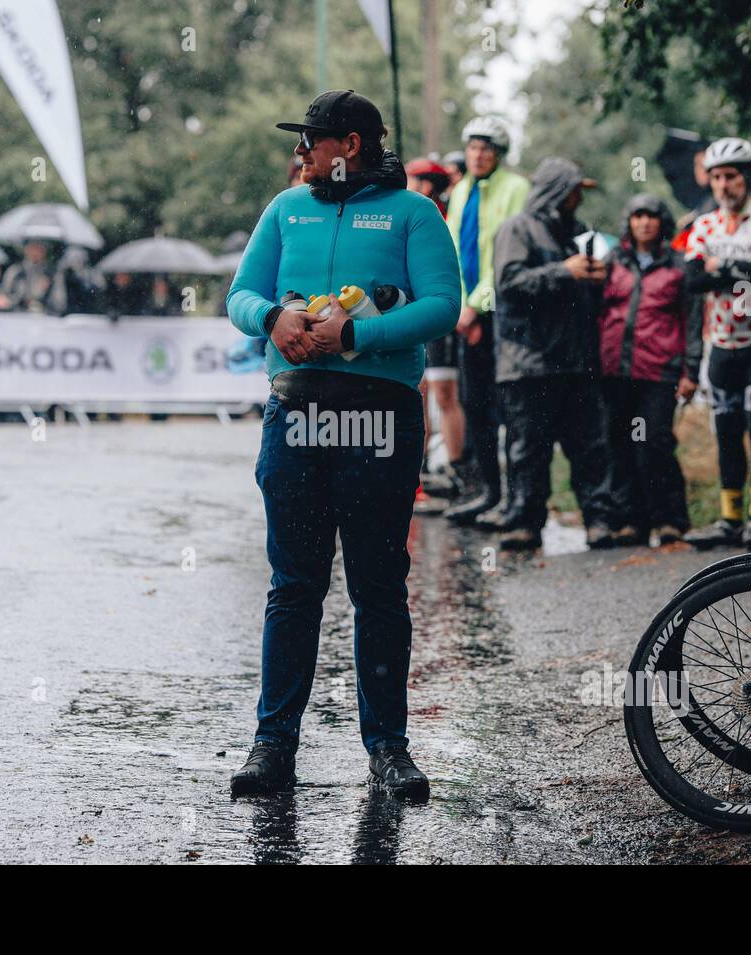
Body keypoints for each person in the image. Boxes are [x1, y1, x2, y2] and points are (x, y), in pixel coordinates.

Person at [225, 89, 460, 801]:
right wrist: (271, 317)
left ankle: (388, 748)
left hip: (380, 420)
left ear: (348, 145)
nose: (300, 154)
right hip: (295, 417)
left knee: (378, 588)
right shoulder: (284, 209)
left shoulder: (414, 213)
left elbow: (442, 305)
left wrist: (357, 333)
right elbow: (239, 295)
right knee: (293, 586)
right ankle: (273, 745)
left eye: (311, 142)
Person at [489, 157, 617, 550]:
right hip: (527, 362)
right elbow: (508, 282)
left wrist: (594, 279)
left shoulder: (578, 233)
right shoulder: (517, 229)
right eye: (575, 189)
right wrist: (566, 271)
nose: (579, 197)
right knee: (529, 448)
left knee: (590, 446)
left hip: (576, 361)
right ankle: (525, 523)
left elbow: (585, 294)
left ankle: (599, 521)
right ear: (556, 190)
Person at [682, 137, 751, 551]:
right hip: (723, 343)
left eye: (731, 176)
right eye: (716, 178)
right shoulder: (703, 226)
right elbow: (693, 280)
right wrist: (738, 271)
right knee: (727, 430)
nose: (724, 185)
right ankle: (730, 518)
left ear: (746, 177)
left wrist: (721, 267)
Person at [597, 194, 701, 546]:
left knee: (653, 443)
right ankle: (630, 522)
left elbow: (692, 321)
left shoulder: (678, 264)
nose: (644, 222)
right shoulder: (614, 262)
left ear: (662, 222)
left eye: (651, 216)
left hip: (658, 373)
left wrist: (692, 372)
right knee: (620, 445)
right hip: (616, 372)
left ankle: (670, 519)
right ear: (629, 222)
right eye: (637, 215)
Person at [443, 116, 531, 525]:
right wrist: (461, 308)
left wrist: (477, 305)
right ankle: (486, 490)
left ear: (499, 154)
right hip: (466, 315)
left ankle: (517, 499)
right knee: (471, 402)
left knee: (508, 408)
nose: (478, 155)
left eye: (486, 149)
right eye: (473, 147)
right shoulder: (461, 190)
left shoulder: (517, 188)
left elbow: (509, 255)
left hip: (502, 313)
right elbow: (455, 253)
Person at [406, 158, 468, 508]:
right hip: (417, 315)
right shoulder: (415, 215)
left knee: (444, 393)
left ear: (426, 185)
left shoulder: (440, 220)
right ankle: (416, 474)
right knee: (420, 392)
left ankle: (455, 471)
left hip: (441, 317)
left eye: (412, 181)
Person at [0, 240, 62, 313]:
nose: (35, 252)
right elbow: (3, 297)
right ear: (25, 249)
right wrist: (18, 300)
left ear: (45, 250)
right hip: (16, 316)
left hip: (44, 318)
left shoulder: (53, 274)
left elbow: (60, 304)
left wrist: (46, 293)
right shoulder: (15, 271)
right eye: (32, 248)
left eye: (39, 249)